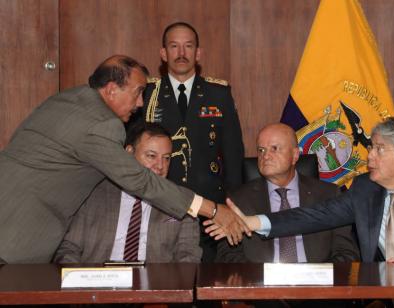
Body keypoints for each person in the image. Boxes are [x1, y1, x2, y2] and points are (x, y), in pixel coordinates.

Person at [0, 55, 247, 264]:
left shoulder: (64, 100)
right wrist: (212, 209)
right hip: (15, 234)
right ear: (111, 90)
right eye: (139, 92)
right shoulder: (103, 124)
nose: (141, 104)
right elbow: (140, 180)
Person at [209, 117, 394, 264]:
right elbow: (311, 216)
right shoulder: (364, 190)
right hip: (389, 293)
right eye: (370, 147)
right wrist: (254, 222)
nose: (369, 156)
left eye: (378, 149)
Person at [130, 22, 244, 262]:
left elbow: (233, 155)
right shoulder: (148, 93)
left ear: (198, 53)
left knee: (209, 284)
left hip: (212, 209)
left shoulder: (219, 93)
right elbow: (131, 151)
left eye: (188, 46)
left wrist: (234, 206)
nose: (181, 53)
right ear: (163, 54)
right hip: (160, 202)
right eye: (174, 46)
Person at [54, 122, 201, 263]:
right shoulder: (93, 194)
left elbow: (188, 256)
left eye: (167, 158)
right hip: (100, 282)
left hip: (156, 284)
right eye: (151, 156)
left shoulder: (181, 200)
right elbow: (70, 248)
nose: (160, 166)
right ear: (129, 153)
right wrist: (77, 280)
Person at [216, 123, 359, 263]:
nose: (265, 156)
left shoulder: (329, 194)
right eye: (261, 150)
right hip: (261, 282)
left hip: (317, 281)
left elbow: (346, 252)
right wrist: (259, 278)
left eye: (274, 148)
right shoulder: (238, 199)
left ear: (295, 155)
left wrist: (320, 277)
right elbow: (227, 255)